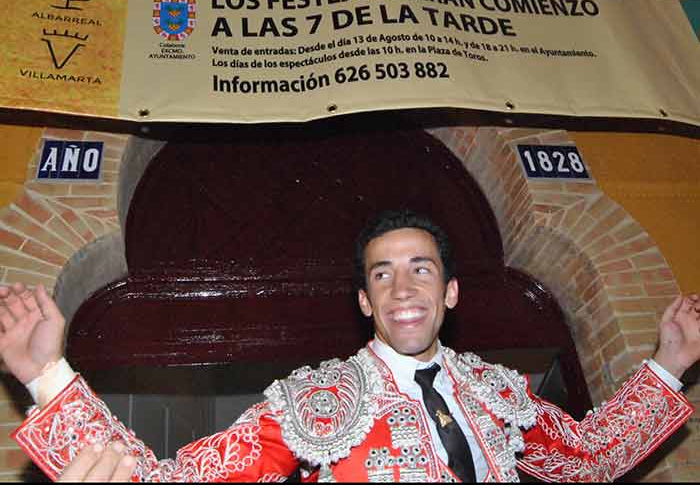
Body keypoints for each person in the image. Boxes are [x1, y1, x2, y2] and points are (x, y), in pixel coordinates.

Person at [1, 209, 698, 482]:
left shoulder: (500, 394)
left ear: (449, 293)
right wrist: (47, 376)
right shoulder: (316, 400)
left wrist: (668, 360)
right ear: (365, 300)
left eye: (420, 268)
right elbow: (172, 480)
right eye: (382, 273)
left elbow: (593, 458)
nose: (402, 287)